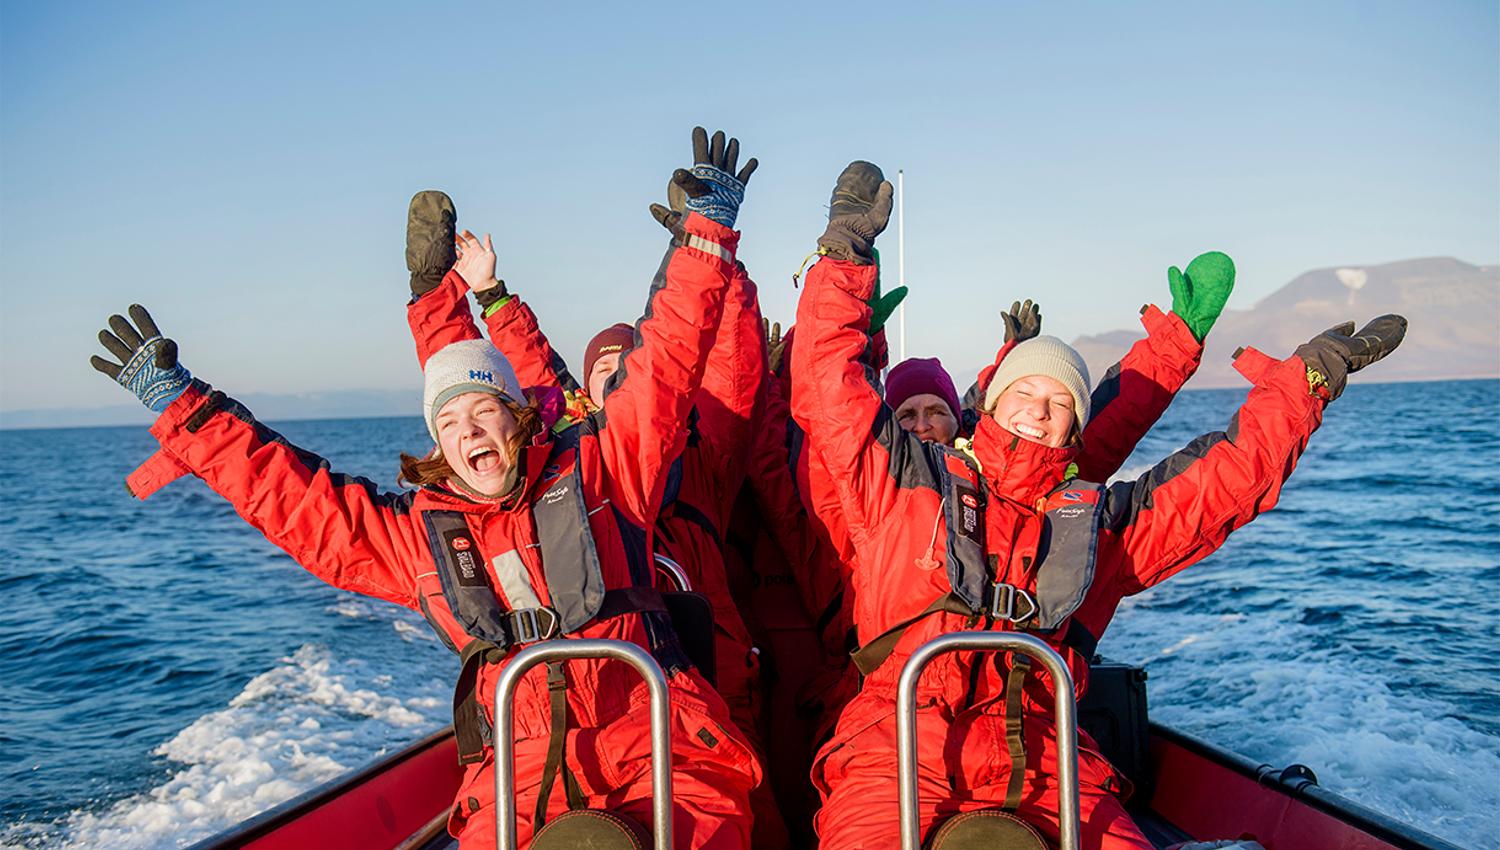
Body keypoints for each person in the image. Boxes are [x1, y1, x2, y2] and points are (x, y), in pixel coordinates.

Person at [89, 136, 763, 849]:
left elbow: (669, 364)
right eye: (449, 423)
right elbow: (298, 504)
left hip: (655, 749)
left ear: (519, 415)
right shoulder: (423, 539)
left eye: (484, 410)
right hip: (518, 782)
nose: (468, 430)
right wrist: (183, 407)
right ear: (439, 449)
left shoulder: (603, 475)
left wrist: (706, 231)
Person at [789, 160, 1407, 849]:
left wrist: (1305, 387)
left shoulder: (1094, 527)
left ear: (1074, 430)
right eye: (1026, 392)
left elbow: (1221, 486)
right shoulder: (905, 486)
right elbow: (826, 384)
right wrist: (844, 254)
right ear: (992, 403)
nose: (1040, 409)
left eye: (1060, 403)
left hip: (1054, 767)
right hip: (897, 751)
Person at [399, 130, 791, 848]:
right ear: (587, 392)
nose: (615, 381)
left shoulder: (695, 458)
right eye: (601, 373)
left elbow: (706, 361)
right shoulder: (573, 467)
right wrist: (452, 298)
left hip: (706, 685)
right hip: (593, 708)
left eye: (625, 369)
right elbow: (477, 404)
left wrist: (708, 251)